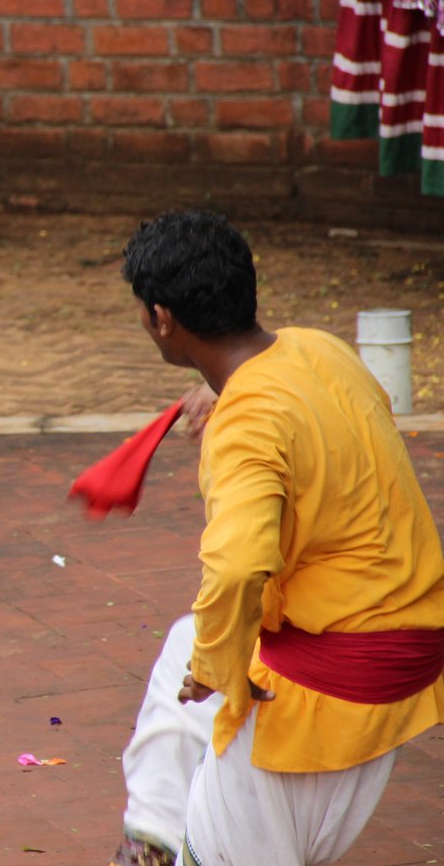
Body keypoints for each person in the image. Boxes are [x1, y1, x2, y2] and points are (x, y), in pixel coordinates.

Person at [109, 211, 444, 866]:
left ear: (161, 318)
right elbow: (300, 409)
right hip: (412, 637)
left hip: (338, 674)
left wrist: (218, 669)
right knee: (189, 640)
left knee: (202, 662)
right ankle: (148, 840)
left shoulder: (244, 426)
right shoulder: (317, 349)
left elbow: (237, 569)